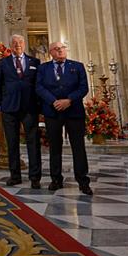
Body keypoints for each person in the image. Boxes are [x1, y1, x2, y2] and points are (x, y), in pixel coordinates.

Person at [35, 42, 92, 195]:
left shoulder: (77, 66)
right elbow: (39, 87)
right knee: (55, 146)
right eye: (56, 49)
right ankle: (56, 179)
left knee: (78, 146)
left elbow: (83, 87)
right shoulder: (43, 68)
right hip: (52, 111)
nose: (60, 51)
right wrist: (53, 101)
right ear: (51, 52)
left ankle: (83, 181)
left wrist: (69, 100)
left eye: (62, 48)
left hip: (73, 111)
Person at [0, 34, 40, 187]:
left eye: (20, 42)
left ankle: (35, 177)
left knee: (33, 143)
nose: (17, 45)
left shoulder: (35, 62)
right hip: (9, 108)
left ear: (24, 44)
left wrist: (39, 105)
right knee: (12, 143)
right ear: (10, 46)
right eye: (14, 43)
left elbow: (38, 85)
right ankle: (15, 175)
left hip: (29, 108)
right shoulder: (3, 63)